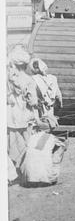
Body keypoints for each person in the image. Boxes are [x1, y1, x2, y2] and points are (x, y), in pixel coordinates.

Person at [7, 47, 39, 182]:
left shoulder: (8, 80)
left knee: (11, 146)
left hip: (10, 118)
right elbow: (33, 102)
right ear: (25, 65)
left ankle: (13, 174)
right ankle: (29, 173)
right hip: (25, 117)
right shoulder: (29, 80)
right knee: (28, 146)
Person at [29, 58, 62, 130]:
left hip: (37, 108)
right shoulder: (53, 78)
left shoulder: (33, 79)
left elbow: (31, 96)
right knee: (49, 124)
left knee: (39, 128)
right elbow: (58, 95)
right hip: (49, 107)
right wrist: (59, 105)